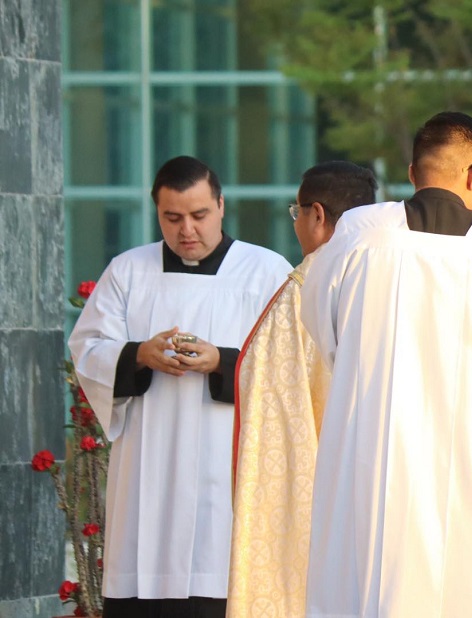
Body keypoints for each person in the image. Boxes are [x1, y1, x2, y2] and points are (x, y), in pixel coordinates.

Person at [300, 112, 472, 617]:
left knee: (373, 579)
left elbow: (324, 329)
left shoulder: (359, 235)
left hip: (377, 454)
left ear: (413, 172)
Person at [68, 156, 292, 617]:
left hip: (225, 460)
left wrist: (223, 362)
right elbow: (88, 348)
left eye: (199, 215)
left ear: (221, 205)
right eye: (172, 218)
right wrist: (138, 354)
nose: (186, 230)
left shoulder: (266, 272)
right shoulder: (129, 271)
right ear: (157, 212)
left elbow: (291, 364)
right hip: (148, 462)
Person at [227, 161, 378, 618]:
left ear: (317, 215)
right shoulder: (393, 277)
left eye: (296, 212)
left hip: (330, 494)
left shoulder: (304, 290)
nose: (296, 224)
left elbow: (278, 421)